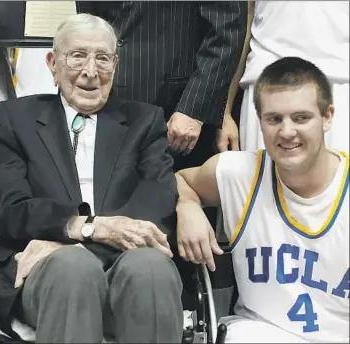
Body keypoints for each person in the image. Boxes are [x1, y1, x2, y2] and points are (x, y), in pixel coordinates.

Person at [0, 13, 183, 343]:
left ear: (115, 66)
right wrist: (81, 229)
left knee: (151, 267)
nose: (90, 71)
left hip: (125, 266)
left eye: (102, 58)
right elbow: (9, 208)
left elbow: (157, 204)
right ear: (52, 63)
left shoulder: (144, 122)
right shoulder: (14, 119)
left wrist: (83, 239)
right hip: (42, 275)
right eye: (77, 56)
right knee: (72, 268)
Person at [175, 57, 349, 342]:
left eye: (301, 117)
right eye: (274, 119)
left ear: (327, 116)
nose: (287, 131)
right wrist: (187, 206)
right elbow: (179, 180)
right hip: (257, 332)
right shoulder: (238, 173)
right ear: (260, 121)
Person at [72, 1, 248, 170]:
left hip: (175, 114)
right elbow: (89, 21)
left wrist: (194, 109)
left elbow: (227, 28)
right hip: (105, 107)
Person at [223, 1, 349, 153]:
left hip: (340, 81)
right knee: (265, 175)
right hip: (266, 79)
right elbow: (246, 15)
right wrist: (225, 111)